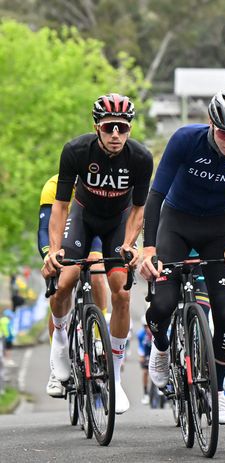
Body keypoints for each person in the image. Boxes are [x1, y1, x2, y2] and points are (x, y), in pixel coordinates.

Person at [139, 89, 225, 425]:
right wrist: (150, 248)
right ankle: (163, 347)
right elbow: (156, 195)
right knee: (163, 305)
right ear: (212, 124)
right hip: (175, 224)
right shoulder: (186, 140)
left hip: (217, 229)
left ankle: (219, 391)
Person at [43, 93, 153, 414]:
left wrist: (130, 244)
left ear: (129, 129)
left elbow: (138, 208)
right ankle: (60, 343)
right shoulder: (76, 151)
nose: (116, 134)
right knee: (65, 280)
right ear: (97, 128)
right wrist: (53, 250)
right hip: (82, 218)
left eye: (122, 127)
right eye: (109, 128)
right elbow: (61, 205)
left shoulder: (141, 158)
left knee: (121, 293)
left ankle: (115, 377)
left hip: (117, 224)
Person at [38, 173, 110, 398]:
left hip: (93, 232)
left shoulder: (100, 183)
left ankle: (99, 333)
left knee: (97, 273)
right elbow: (43, 228)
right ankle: (56, 360)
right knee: (60, 289)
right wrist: (49, 256)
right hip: (62, 240)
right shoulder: (54, 185)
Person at [137, 314, 153, 405]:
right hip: (146, 352)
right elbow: (141, 347)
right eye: (146, 327)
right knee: (145, 372)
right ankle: (145, 392)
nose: (148, 329)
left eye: (149, 327)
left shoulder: (157, 332)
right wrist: (141, 356)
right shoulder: (140, 334)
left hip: (155, 351)